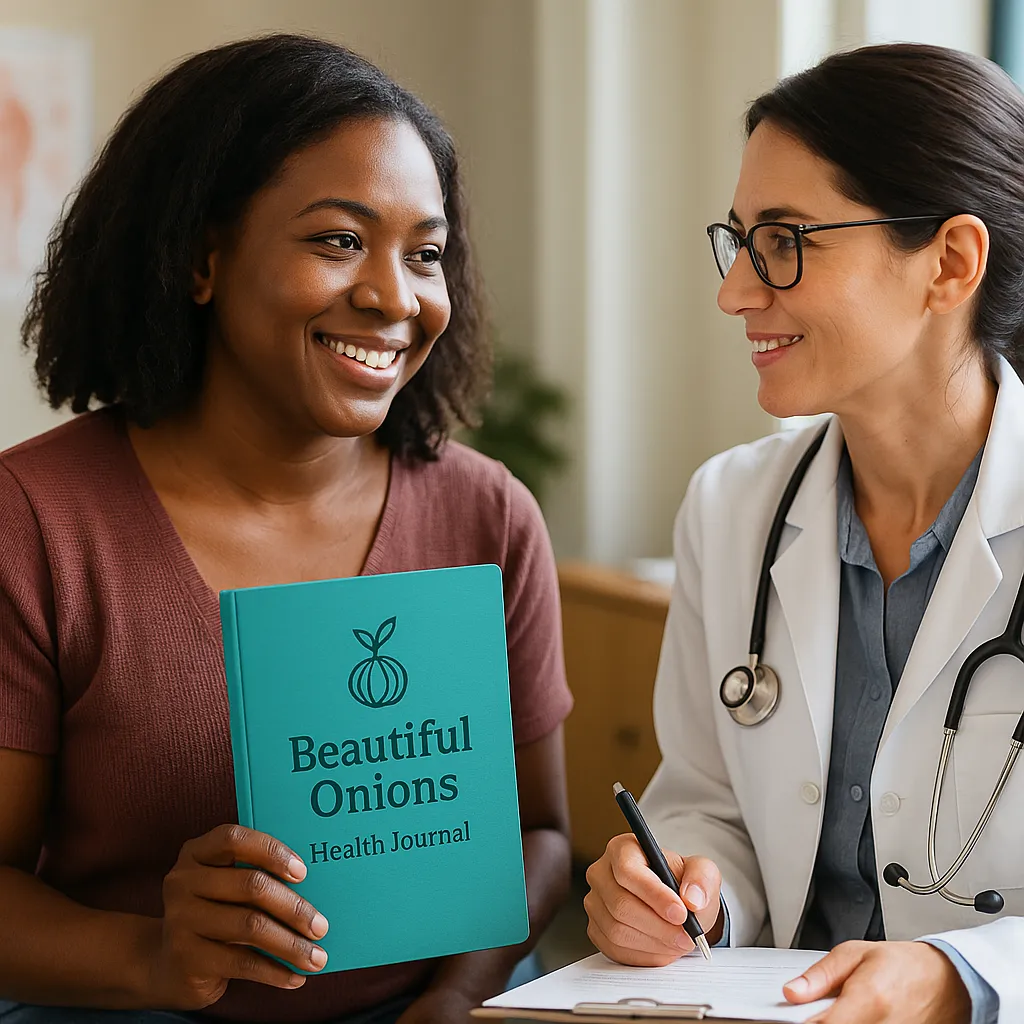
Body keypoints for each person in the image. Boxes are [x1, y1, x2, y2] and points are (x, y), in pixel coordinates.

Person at [0, 34, 573, 1024]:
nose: (395, 298)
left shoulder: (488, 516)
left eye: (425, 253)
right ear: (201, 259)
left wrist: (458, 994)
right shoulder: (37, 523)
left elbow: (542, 836)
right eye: (338, 240)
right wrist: (152, 955)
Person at [584, 43, 1024, 1024]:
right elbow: (705, 798)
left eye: (782, 240)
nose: (734, 291)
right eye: (736, 240)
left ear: (949, 262)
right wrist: (689, 888)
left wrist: (965, 973)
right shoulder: (730, 507)